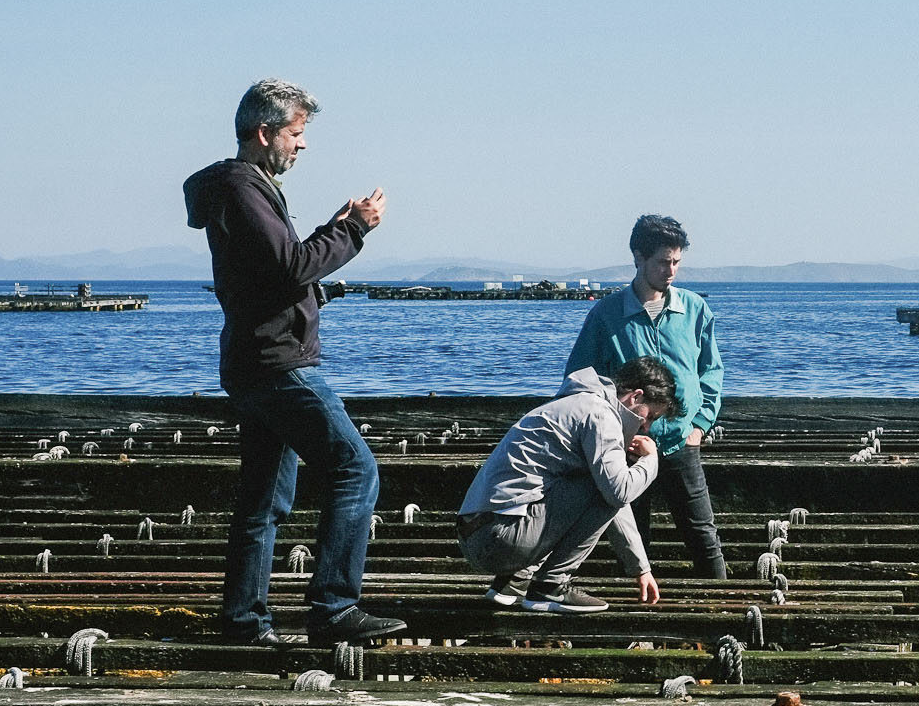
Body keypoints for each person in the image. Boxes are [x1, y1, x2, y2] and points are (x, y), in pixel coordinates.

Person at [182, 79, 405, 647]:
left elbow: (271, 275)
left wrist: (328, 247)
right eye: (296, 133)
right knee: (356, 470)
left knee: (263, 499)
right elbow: (290, 267)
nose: (302, 146)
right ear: (264, 132)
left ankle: (243, 623)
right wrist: (351, 228)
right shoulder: (242, 187)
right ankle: (333, 608)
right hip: (278, 365)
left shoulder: (244, 189)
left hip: (252, 361)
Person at [566, 215, 726, 581]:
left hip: (681, 443)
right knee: (634, 541)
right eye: (662, 262)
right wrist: (607, 431)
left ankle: (723, 615)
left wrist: (700, 425)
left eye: (676, 262)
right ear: (638, 256)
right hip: (627, 447)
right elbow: (580, 380)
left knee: (703, 536)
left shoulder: (695, 310)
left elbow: (711, 372)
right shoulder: (606, 315)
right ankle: (636, 629)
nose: (671, 271)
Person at [455, 357, 679, 612]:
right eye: (650, 416)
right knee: (605, 485)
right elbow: (618, 493)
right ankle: (551, 587)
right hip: (501, 539)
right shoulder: (601, 415)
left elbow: (612, 499)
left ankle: (513, 582)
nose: (646, 427)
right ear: (636, 397)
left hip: (479, 534)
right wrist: (651, 461)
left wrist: (641, 568)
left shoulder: (576, 403)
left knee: (595, 483)